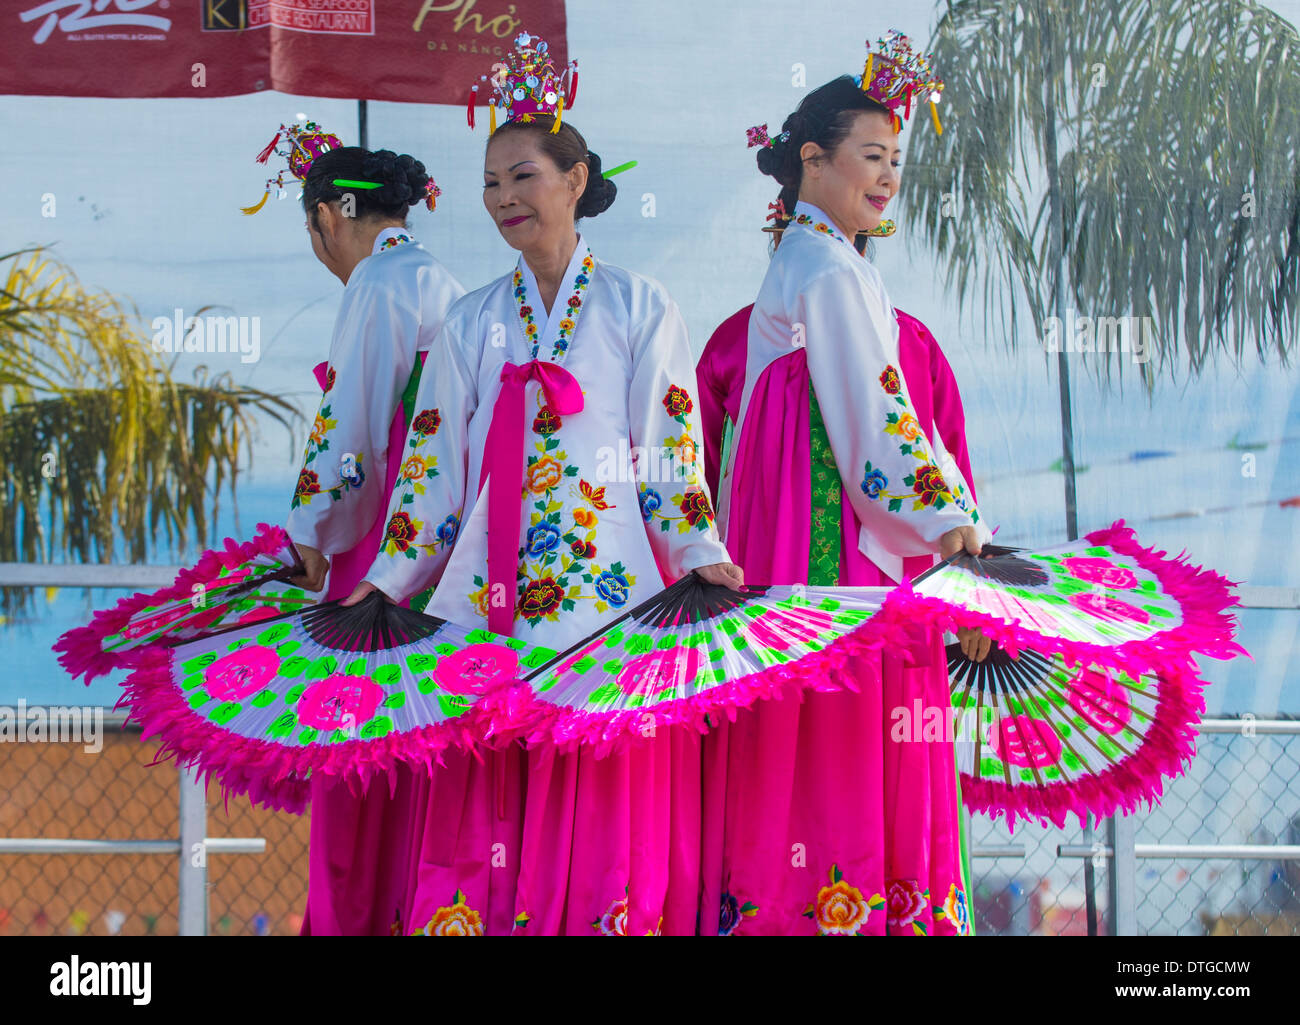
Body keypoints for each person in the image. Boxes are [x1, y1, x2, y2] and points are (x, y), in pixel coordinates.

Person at [345, 32, 742, 935]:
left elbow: (669, 450)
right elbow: (433, 462)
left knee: (602, 810)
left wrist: (699, 551)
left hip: (606, 603)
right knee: (483, 809)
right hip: (487, 602)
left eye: (522, 175)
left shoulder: (642, 305)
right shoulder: (473, 320)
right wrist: (391, 578)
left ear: (575, 179)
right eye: (490, 183)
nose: (502, 199)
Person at [701, 33, 993, 936]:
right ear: (811, 161)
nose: (888, 177)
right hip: (823, 537)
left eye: (897, 161)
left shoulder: (811, 260)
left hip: (781, 527)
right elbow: (880, 411)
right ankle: (856, 907)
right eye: (872, 157)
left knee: (792, 724)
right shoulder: (831, 266)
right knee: (848, 713)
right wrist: (950, 523)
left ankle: (778, 904)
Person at [265, 130, 467, 934]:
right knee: (415, 736)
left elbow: (349, 424)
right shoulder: (441, 279)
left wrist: (311, 533)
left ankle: (352, 917)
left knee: (355, 738)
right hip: (443, 537)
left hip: (382, 535)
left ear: (327, 216)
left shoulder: (380, 281)